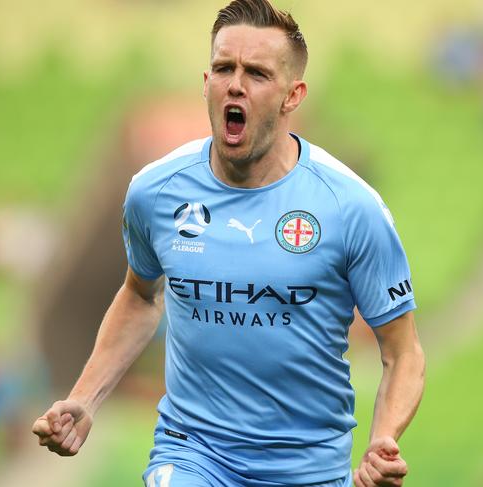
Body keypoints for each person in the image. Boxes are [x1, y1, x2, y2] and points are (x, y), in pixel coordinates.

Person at [31, 1, 426, 486]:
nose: (235, 84)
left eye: (257, 73)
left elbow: (403, 352)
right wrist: (86, 397)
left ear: (292, 95)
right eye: (224, 68)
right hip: (194, 454)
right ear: (206, 82)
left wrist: (381, 442)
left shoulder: (349, 206)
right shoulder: (155, 192)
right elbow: (139, 295)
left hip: (308, 468)